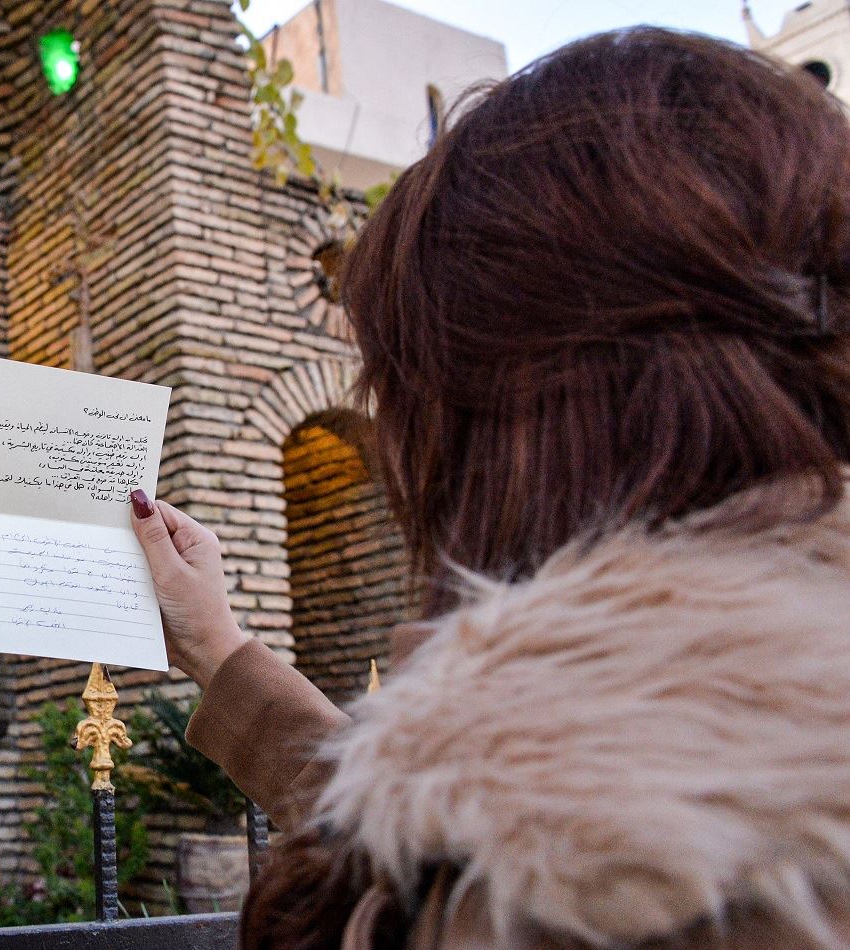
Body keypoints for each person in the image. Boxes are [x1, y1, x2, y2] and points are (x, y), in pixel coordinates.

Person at [130, 29, 850, 949]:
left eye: (402, 390)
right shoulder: (712, 751)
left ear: (515, 412)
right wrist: (219, 648)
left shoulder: (636, 882)